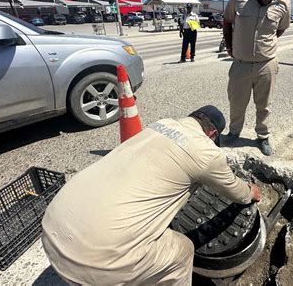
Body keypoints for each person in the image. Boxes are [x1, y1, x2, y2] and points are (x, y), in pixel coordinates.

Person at [41, 105, 261, 285]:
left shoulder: (162, 124)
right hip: (94, 266)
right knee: (183, 250)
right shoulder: (207, 151)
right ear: (213, 134)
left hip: (52, 230)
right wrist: (250, 191)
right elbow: (237, 193)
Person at [222, 0, 291, 156]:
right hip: (241, 64)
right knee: (236, 102)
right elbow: (227, 22)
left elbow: (281, 29)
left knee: (264, 105)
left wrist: (264, 46)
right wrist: (230, 46)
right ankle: (234, 133)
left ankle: (263, 137)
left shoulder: (283, 3)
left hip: (266, 65)